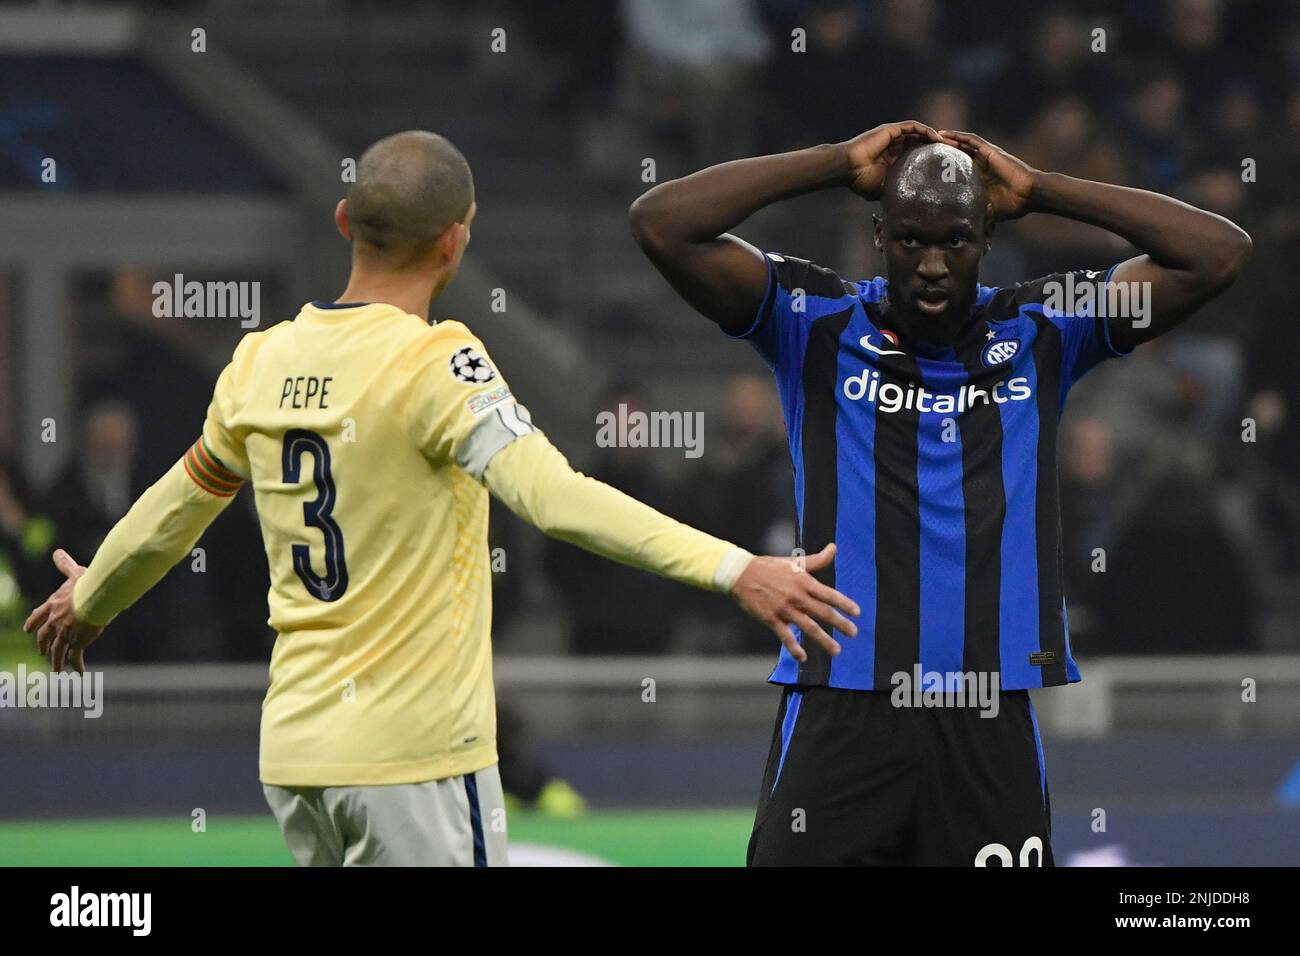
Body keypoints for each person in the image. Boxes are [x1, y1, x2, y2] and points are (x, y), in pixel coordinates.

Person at [24, 130, 860, 867]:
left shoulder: (260, 361)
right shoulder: (436, 364)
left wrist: (91, 598)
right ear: (456, 241)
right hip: (413, 758)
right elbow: (555, 497)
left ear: (345, 223)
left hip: (297, 757)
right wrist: (735, 568)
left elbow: (178, 506)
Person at [629, 119, 1251, 865]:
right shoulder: (812, 319)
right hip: (845, 706)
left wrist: (1044, 188)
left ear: (988, 236)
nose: (930, 264)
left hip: (985, 715)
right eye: (908, 240)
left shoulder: (1042, 326)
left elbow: (1218, 256)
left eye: (954, 240)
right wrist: (833, 162)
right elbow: (661, 224)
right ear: (877, 235)